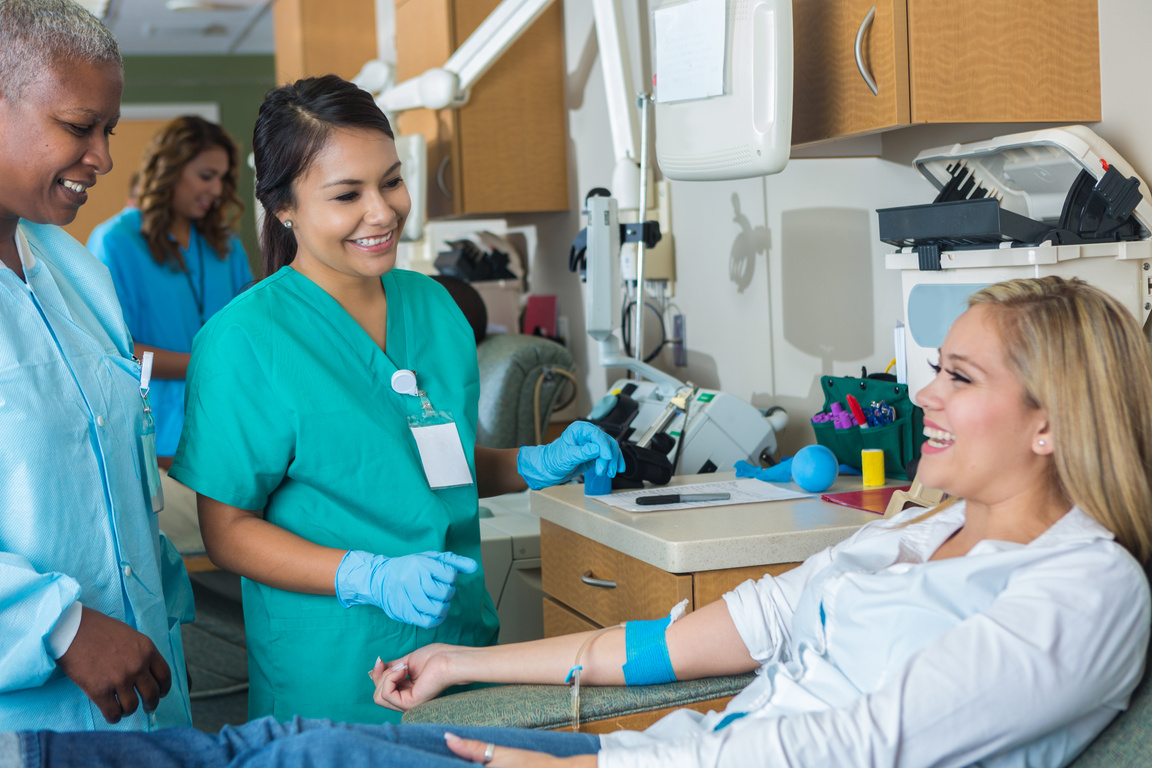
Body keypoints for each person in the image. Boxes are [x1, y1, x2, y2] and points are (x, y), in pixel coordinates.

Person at [14, 274, 1152, 766]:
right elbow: (691, 640)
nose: (927, 401)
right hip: (678, 750)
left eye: (956, 377)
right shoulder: (914, 537)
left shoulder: (1084, 592)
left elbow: (852, 750)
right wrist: (468, 661)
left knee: (305, 758)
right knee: (287, 747)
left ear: (1052, 423)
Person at [167, 74, 624, 725]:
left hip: (461, 654)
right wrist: (367, 575)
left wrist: (533, 463)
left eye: (390, 181)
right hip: (335, 670)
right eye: (347, 194)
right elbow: (228, 532)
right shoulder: (244, 341)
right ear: (283, 206)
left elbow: (436, 464)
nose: (381, 211)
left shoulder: (435, 308)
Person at [0, 0, 192, 733]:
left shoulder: (78, 275)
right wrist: (59, 625)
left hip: (143, 698)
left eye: (107, 130)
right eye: (80, 128)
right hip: (30, 717)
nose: (105, 158)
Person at [86, 116, 252, 513]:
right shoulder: (115, 242)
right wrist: (206, 366)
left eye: (222, 179)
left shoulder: (224, 245)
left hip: (227, 433)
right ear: (171, 170)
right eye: (206, 176)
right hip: (154, 441)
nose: (215, 190)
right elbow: (112, 350)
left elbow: (251, 331)